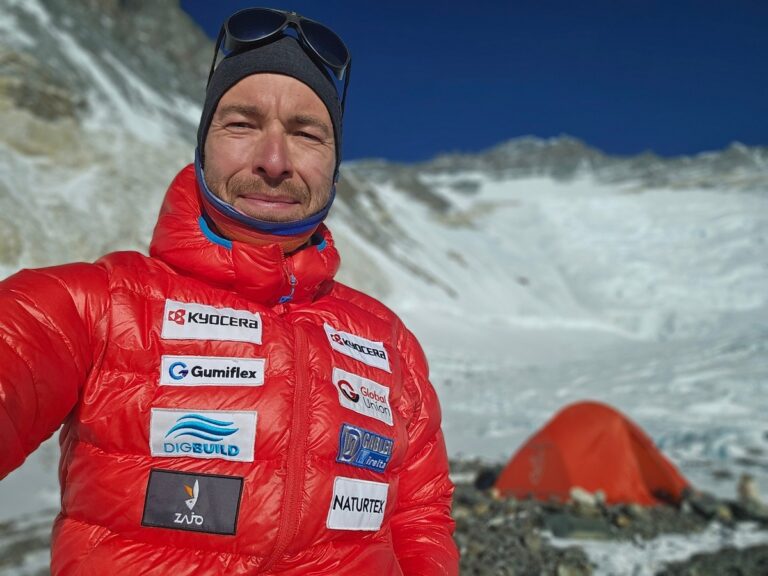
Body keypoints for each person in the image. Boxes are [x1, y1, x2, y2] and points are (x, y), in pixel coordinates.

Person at [0, 7, 459, 575]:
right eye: (242, 125)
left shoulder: (391, 343)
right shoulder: (97, 305)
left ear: (336, 165)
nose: (273, 161)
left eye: (306, 134)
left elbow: (419, 518)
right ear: (202, 146)